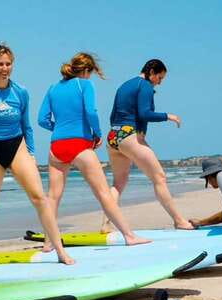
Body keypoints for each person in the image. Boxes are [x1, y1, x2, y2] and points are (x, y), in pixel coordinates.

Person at [0, 43, 74, 267]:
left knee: (40, 199)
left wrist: (31, 152)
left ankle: (60, 252)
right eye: (0, 64)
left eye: (8, 64)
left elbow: (27, 125)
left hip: (18, 147)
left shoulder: (20, 92)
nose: (4, 68)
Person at [38, 53, 150, 246]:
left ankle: (49, 242)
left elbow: (42, 119)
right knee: (103, 193)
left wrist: (58, 129)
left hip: (56, 147)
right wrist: (96, 134)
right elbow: (91, 111)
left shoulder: (53, 88)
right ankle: (129, 236)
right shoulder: (84, 84)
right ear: (87, 70)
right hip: (79, 144)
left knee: (53, 196)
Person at [103, 59, 194, 231]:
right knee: (159, 178)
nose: (159, 83)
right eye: (159, 78)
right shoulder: (145, 86)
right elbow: (145, 114)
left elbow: (112, 116)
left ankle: (105, 224)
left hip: (113, 136)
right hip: (129, 135)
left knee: (118, 184)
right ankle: (179, 221)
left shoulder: (124, 85)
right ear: (151, 72)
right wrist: (168, 116)